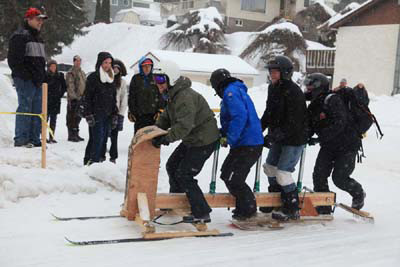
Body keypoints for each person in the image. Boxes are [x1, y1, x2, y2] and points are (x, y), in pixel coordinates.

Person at [152, 60, 220, 224]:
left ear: (171, 78)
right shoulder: (173, 95)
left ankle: (202, 212)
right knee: (172, 166)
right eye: (155, 79)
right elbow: (166, 117)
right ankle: (176, 201)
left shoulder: (184, 97)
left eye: (161, 79)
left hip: (203, 139)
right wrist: (154, 131)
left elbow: (184, 126)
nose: (158, 84)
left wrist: (165, 138)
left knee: (185, 174)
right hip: (192, 138)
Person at [304, 73, 366, 212]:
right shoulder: (314, 105)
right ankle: (324, 205)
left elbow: (340, 122)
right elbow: (311, 125)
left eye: (310, 86)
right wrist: (306, 136)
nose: (307, 89)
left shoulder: (333, 100)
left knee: (340, 178)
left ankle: (358, 194)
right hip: (329, 145)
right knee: (319, 175)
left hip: (347, 144)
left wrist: (321, 137)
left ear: (318, 87)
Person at [210, 68, 264, 221]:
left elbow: (239, 116)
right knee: (226, 173)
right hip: (244, 142)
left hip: (249, 143)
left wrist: (229, 138)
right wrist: (225, 132)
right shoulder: (235, 90)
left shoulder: (230, 93)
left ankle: (248, 210)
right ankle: (243, 207)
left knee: (235, 178)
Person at [259, 55, 309, 221]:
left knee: (282, 173)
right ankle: (275, 199)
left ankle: (291, 207)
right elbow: (269, 112)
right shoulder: (272, 88)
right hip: (279, 136)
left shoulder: (293, 92)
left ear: (285, 73)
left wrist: (275, 136)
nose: (272, 75)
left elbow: (295, 121)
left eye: (275, 72)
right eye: (271, 71)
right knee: (269, 168)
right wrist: (259, 129)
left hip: (294, 139)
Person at [7, 7, 48, 148]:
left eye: (42, 20)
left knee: (37, 110)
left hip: (38, 81)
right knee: (25, 107)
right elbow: (14, 61)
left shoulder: (39, 38)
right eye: (38, 19)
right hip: (25, 80)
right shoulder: (19, 36)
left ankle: (34, 138)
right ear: (28, 19)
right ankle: (21, 139)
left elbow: (41, 62)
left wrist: (42, 76)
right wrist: (26, 76)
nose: (40, 22)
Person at [82, 52, 118, 165]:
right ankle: (93, 162)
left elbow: (113, 98)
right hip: (96, 113)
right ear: (100, 63)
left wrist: (114, 114)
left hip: (108, 114)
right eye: (105, 62)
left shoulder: (111, 78)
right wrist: (88, 114)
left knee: (101, 140)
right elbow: (87, 97)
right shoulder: (93, 77)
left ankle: (90, 160)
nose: (108, 65)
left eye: (110, 63)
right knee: (97, 139)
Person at [128, 57, 165, 133]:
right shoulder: (135, 79)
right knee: (139, 139)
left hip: (153, 116)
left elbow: (161, 95)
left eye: (149, 66)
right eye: (144, 66)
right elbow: (131, 96)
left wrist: (160, 110)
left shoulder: (156, 78)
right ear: (141, 67)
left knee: (153, 139)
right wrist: (131, 111)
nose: (147, 68)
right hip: (139, 116)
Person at [101, 59, 128, 163]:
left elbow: (123, 99)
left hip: (116, 114)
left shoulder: (122, 82)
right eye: (114, 68)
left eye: (118, 69)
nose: (115, 70)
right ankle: (101, 154)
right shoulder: (107, 79)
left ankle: (113, 157)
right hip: (106, 112)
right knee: (104, 135)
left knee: (114, 136)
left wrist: (120, 114)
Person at [44, 60, 66, 143]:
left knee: (53, 120)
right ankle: (43, 136)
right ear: (48, 67)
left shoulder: (60, 75)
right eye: (51, 66)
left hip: (56, 101)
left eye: (54, 66)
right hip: (47, 100)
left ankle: (51, 137)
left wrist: (59, 95)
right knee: (45, 119)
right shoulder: (45, 76)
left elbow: (64, 87)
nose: (53, 68)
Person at [66, 55, 86, 142]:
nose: (78, 62)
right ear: (74, 62)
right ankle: (71, 135)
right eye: (77, 61)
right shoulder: (71, 72)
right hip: (73, 98)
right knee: (71, 117)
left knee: (78, 116)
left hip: (81, 98)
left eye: (79, 61)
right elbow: (70, 85)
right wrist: (73, 97)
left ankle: (76, 133)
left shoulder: (82, 72)